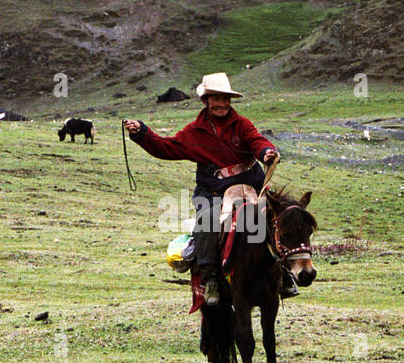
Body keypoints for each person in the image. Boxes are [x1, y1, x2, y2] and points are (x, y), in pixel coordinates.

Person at [123, 72, 293, 307]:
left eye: (225, 99)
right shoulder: (194, 131)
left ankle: (285, 273)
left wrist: (266, 152)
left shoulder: (242, 124)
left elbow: (257, 141)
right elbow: (166, 147)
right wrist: (142, 133)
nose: (221, 104)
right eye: (216, 98)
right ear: (206, 101)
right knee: (207, 222)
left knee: (281, 216)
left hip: (251, 187)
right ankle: (210, 277)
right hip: (214, 193)